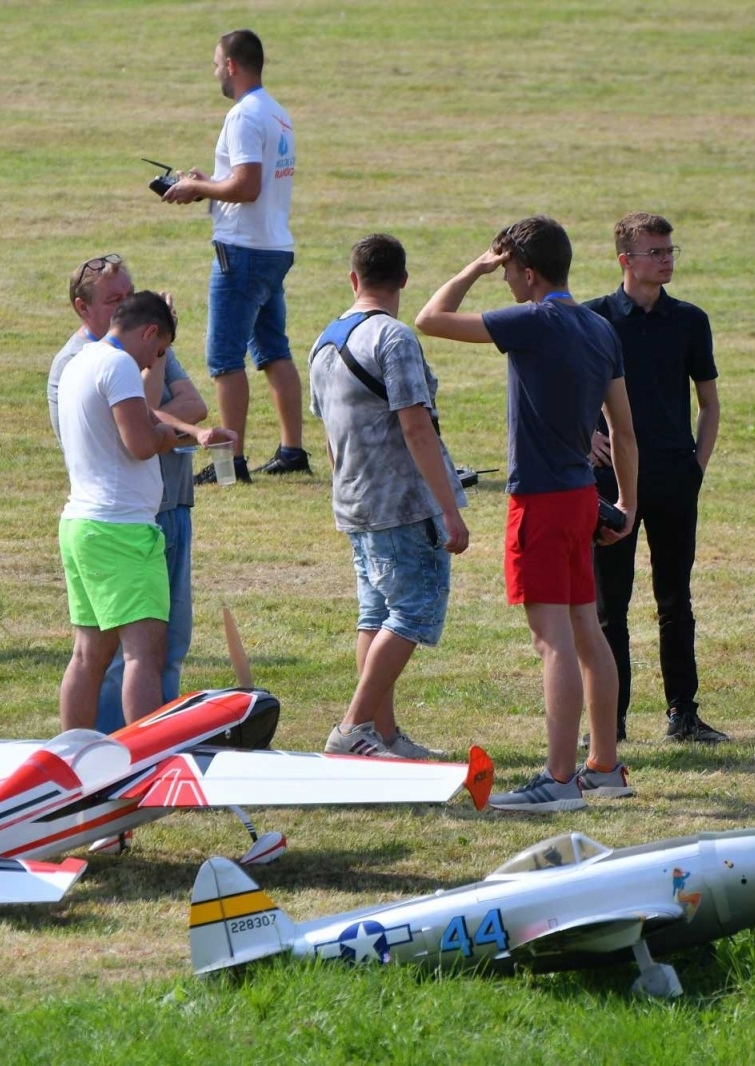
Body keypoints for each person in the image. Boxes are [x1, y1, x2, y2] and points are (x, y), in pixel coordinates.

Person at [414, 216, 638, 813]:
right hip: (581, 499)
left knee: (553, 642)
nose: (504, 278)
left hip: (538, 500)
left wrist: (474, 267)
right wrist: (627, 506)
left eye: (509, 270)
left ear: (528, 271)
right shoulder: (598, 326)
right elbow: (623, 431)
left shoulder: (532, 320)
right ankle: (604, 765)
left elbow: (429, 319)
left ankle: (559, 780)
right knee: (588, 632)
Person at [48, 254, 232, 732]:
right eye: (159, 351)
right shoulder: (120, 366)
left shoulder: (77, 364)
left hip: (81, 524)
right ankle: (145, 765)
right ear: (150, 333)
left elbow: (140, 425)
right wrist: (174, 438)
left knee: (88, 655)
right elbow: (140, 443)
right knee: (143, 654)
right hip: (122, 528)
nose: (156, 362)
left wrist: (180, 430)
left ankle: (74, 756)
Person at [311, 234, 469, 760]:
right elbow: (416, 428)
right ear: (403, 280)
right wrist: (448, 508)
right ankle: (354, 726)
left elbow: (331, 438)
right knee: (410, 613)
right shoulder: (394, 339)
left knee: (375, 615)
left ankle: (382, 735)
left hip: (353, 499)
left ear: (353, 279)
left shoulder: (324, 342)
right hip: (403, 503)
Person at [586, 212, 726, 744]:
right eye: (656, 253)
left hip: (673, 478)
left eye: (670, 251)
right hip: (608, 484)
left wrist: (697, 466)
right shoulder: (595, 319)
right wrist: (582, 437)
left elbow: (709, 403)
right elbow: (560, 389)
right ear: (626, 260)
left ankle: (683, 714)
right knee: (608, 607)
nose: (666, 260)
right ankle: (611, 721)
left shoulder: (690, 321)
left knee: (676, 600)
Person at [162, 28, 308, 483]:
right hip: (272, 245)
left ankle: (231, 463)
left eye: (215, 64)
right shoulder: (277, 113)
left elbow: (247, 186)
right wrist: (210, 182)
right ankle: (292, 450)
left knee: (224, 358)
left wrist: (194, 187)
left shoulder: (243, 115)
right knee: (272, 350)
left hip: (241, 251)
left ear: (231, 65)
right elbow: (246, 182)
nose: (214, 73)